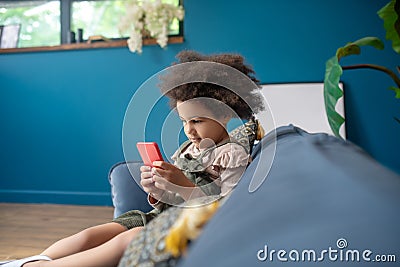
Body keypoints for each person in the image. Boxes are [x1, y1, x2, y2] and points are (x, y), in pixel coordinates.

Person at [1, 50, 265, 267]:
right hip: (157, 215)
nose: (189, 130)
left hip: (186, 225)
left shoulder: (232, 154)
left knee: (131, 238)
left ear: (225, 114)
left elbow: (226, 208)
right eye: (183, 121)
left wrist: (184, 185)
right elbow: (168, 196)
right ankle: (28, 261)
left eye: (197, 121)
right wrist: (157, 187)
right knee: (92, 234)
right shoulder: (186, 149)